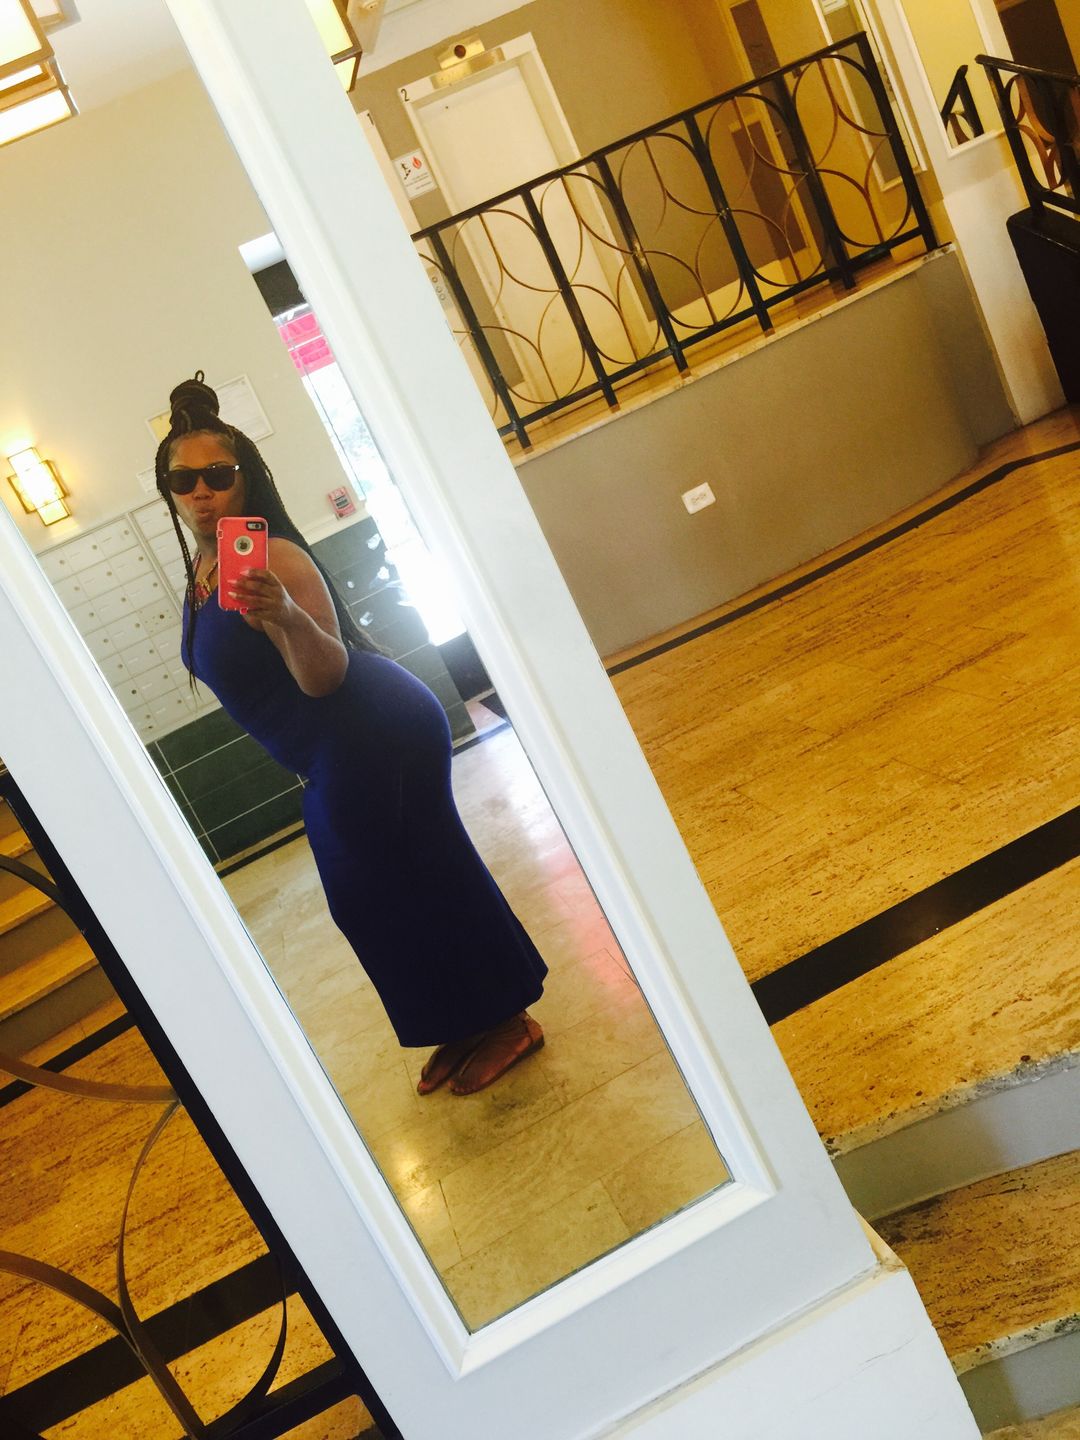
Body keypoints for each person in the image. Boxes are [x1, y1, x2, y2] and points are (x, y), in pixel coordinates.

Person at [156, 373, 546, 1096]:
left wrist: (285, 617)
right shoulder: (207, 567)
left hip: (372, 729)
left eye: (218, 475)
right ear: (169, 490)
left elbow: (324, 676)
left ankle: (509, 1019)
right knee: (372, 896)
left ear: (245, 478)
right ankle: (462, 1021)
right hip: (333, 750)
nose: (202, 491)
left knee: (418, 872)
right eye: (185, 479)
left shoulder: (275, 558)